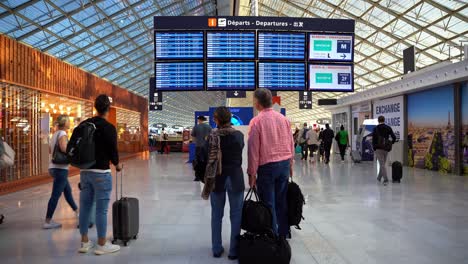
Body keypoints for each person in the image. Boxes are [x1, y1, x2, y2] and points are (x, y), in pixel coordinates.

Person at [78, 94, 123, 255]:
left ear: (95, 107)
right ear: (108, 109)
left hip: (85, 172)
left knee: (84, 207)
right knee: (101, 210)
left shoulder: (85, 124)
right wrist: (117, 165)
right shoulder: (109, 128)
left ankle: (84, 242)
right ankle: (102, 244)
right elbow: (113, 151)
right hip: (101, 173)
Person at [247, 88, 294, 238]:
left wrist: (252, 173)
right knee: (282, 201)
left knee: (268, 204)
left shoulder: (256, 122)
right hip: (284, 165)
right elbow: (290, 143)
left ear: (257, 102)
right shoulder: (283, 119)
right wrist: (291, 164)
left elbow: (253, 151)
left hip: (267, 167)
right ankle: (284, 233)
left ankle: (272, 237)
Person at [201, 107, 245, 260]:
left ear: (217, 120)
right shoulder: (238, 135)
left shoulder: (212, 136)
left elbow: (206, 156)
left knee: (216, 215)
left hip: (217, 178)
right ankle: (234, 250)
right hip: (235, 178)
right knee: (236, 215)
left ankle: (216, 248)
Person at [43, 115, 78, 229]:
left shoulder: (55, 134)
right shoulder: (62, 134)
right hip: (60, 168)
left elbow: (49, 149)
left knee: (67, 191)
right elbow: (64, 149)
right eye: (69, 121)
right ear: (65, 123)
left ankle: (77, 211)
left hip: (54, 167)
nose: (70, 122)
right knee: (55, 195)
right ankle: (47, 221)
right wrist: (73, 149)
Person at [372, 116, 396, 186]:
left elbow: (373, 139)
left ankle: (385, 179)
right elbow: (394, 137)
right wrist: (392, 142)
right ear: (384, 120)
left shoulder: (375, 128)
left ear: (378, 121)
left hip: (378, 148)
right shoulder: (388, 128)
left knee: (382, 164)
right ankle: (379, 177)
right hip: (386, 148)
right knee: (382, 164)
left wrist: (374, 148)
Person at [192, 116, 212, 181]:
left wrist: (195, 142)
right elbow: (212, 137)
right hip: (207, 147)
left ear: (199, 120)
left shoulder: (196, 127)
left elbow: (193, 136)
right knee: (207, 161)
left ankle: (197, 177)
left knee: (198, 161)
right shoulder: (209, 127)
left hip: (198, 146)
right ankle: (207, 175)